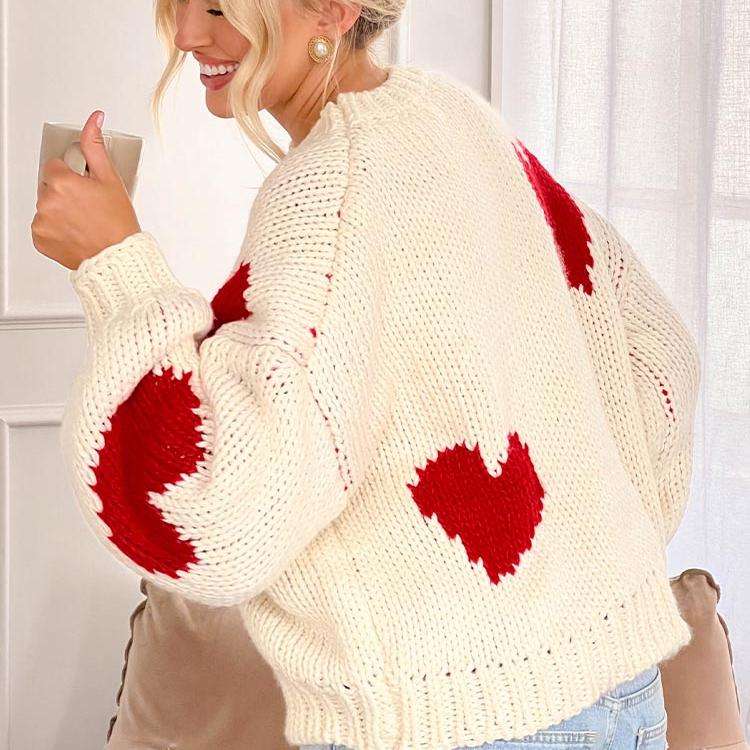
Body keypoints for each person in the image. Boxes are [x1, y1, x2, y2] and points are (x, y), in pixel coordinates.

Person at [32, 1, 701, 749]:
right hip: (622, 698)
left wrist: (114, 266)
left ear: (331, 10)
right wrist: (589, 583)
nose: (188, 34)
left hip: (452, 728)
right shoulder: (456, 119)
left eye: (220, 5)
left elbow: (215, 512)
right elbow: (658, 355)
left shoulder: (331, 188)